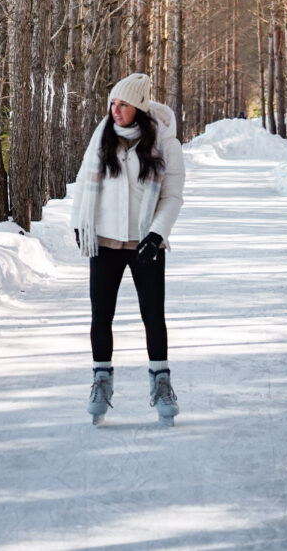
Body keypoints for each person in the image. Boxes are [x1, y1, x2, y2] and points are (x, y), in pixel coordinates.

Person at [70, 72, 185, 425]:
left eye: (123, 104)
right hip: (103, 241)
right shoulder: (102, 137)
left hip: (144, 243)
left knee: (153, 315)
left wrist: (156, 234)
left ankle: (161, 383)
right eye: (112, 104)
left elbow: (172, 197)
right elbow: (83, 182)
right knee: (101, 315)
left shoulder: (166, 144)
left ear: (138, 107)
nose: (115, 110)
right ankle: (101, 381)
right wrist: (80, 222)